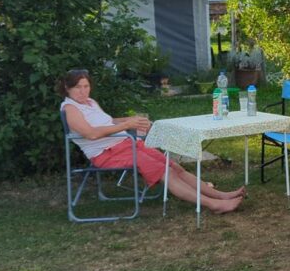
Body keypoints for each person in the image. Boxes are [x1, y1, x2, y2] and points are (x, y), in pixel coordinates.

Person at [59, 69, 244, 214]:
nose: (83, 91)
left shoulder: (89, 103)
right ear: (67, 88)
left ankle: (222, 195)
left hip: (125, 144)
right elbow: (91, 134)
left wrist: (129, 120)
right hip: (106, 154)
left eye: (86, 86)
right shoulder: (70, 108)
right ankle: (214, 205)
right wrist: (126, 125)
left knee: (174, 167)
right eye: (78, 87)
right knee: (165, 172)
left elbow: (107, 122)